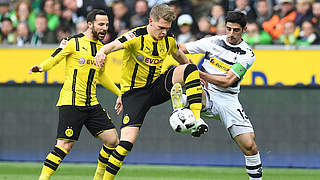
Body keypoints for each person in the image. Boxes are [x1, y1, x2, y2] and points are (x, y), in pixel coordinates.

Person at [94, 4, 208, 180]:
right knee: (125, 144)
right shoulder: (135, 36)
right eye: (161, 27)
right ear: (150, 22)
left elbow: (179, 55)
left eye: (167, 28)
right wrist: (101, 51)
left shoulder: (168, 39)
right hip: (134, 95)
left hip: (156, 87)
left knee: (190, 69)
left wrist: (194, 74)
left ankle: (195, 118)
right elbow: (113, 45)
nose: (163, 32)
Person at [28, 9, 121, 180]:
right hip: (71, 102)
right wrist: (42, 67)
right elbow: (55, 57)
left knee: (113, 140)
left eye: (107, 25)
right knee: (64, 145)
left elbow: (101, 75)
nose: (105, 28)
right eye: (101, 24)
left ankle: (98, 178)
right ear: (90, 24)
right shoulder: (72, 42)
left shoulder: (102, 49)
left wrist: (120, 93)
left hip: (91, 103)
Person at [179, 11, 263, 180]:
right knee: (192, 81)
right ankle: (192, 114)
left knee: (250, 145)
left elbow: (227, 81)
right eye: (228, 29)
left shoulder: (247, 54)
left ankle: (187, 108)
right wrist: (189, 67)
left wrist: (199, 73)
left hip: (228, 99)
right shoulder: (213, 41)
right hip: (206, 91)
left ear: (244, 30)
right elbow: (182, 48)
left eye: (236, 30)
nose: (231, 34)